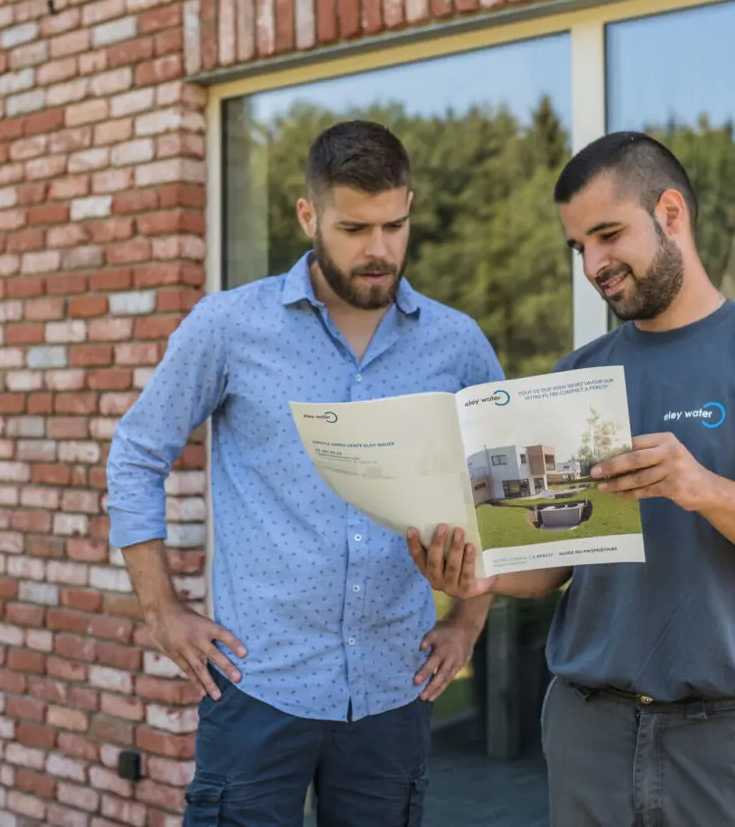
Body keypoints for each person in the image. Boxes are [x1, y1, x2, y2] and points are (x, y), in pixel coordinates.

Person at [408, 130, 735, 827]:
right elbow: (554, 563)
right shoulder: (575, 375)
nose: (594, 265)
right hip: (587, 735)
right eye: (579, 247)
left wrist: (705, 490)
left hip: (730, 741)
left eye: (607, 235)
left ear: (670, 213)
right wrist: (480, 573)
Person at [106, 120, 501, 827]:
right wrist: (162, 611)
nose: (379, 250)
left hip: (392, 690)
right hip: (258, 686)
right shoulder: (229, 326)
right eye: (354, 228)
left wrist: (467, 622)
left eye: (395, 225)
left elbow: (497, 489)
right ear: (307, 216)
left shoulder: (457, 343)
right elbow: (137, 452)